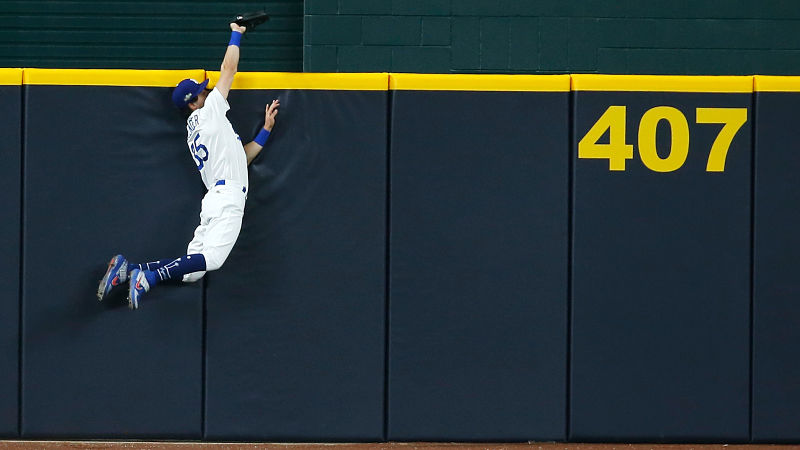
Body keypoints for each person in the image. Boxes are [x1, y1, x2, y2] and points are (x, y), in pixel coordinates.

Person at [97, 22, 280, 309]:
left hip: (216, 198)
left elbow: (239, 161)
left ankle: (130, 269)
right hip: (227, 197)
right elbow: (228, 70)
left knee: (193, 273)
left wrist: (265, 131)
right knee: (214, 260)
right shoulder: (209, 113)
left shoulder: (194, 129)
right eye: (201, 93)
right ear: (193, 103)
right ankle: (149, 277)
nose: (206, 93)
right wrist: (237, 33)